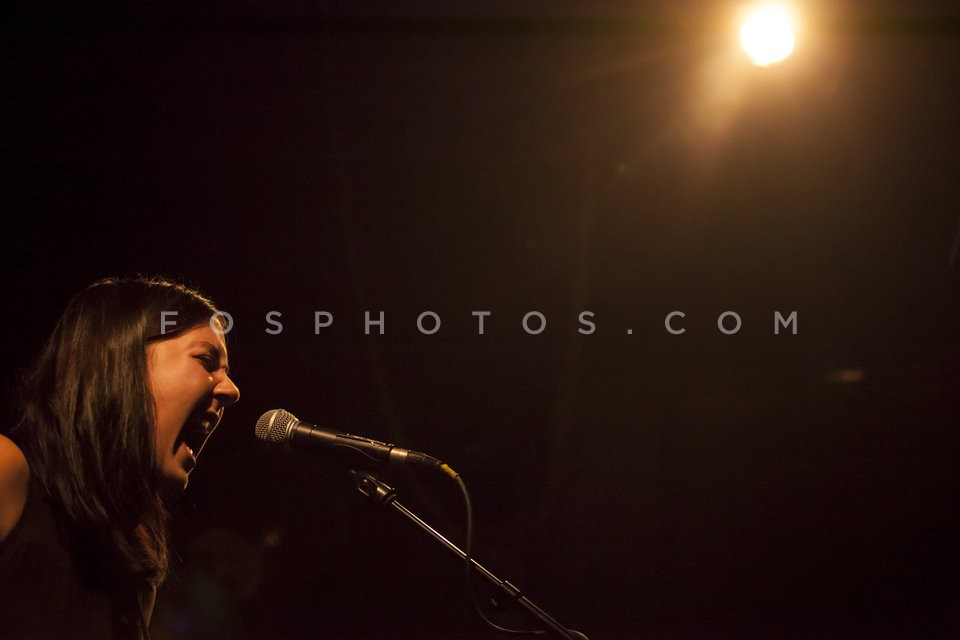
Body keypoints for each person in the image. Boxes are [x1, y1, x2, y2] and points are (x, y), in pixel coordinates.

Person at [0, 277, 240, 639]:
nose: (232, 391)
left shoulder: (136, 558)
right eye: (206, 361)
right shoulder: (7, 468)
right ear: (123, 360)